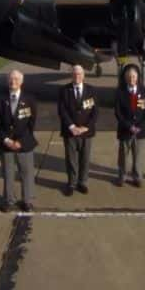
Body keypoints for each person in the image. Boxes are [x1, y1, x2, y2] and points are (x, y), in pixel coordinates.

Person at [0, 70, 38, 212]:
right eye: (11, 79)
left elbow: (31, 124)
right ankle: (8, 200)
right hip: (6, 144)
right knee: (8, 174)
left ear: (21, 82)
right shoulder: (0, 99)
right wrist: (6, 140)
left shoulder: (30, 99)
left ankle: (27, 201)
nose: (13, 82)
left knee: (26, 173)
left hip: (24, 144)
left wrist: (21, 141)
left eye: (16, 79)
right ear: (8, 81)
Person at [57, 64, 98, 195]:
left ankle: (82, 182)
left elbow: (95, 112)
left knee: (85, 159)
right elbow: (62, 111)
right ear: (71, 76)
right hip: (70, 132)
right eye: (74, 74)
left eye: (79, 74)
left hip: (86, 132)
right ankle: (71, 183)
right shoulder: (64, 90)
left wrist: (87, 127)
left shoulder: (91, 90)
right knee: (71, 159)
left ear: (83, 76)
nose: (77, 76)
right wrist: (72, 127)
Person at [114, 65, 145, 187]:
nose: (131, 79)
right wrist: (129, 126)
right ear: (125, 78)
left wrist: (139, 126)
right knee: (123, 156)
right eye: (129, 77)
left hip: (140, 130)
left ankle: (137, 177)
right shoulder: (120, 92)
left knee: (138, 156)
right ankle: (122, 176)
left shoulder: (144, 91)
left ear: (137, 77)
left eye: (134, 76)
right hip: (125, 130)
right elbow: (118, 113)